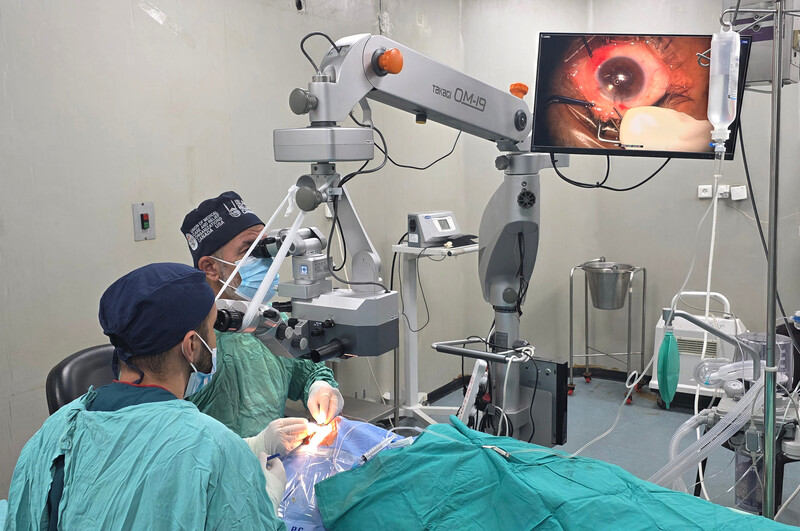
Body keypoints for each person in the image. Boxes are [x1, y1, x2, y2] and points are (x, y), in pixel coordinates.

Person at [4, 263, 286, 529]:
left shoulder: (54, 429)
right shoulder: (216, 448)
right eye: (212, 328)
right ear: (191, 345)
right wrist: (265, 502)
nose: (214, 342)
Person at [181, 191, 343, 444]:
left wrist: (319, 387)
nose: (265, 262)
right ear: (211, 268)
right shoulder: (190, 337)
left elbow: (305, 370)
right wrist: (252, 449)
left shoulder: (270, 320)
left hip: (276, 463)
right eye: (249, 251)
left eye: (265, 248)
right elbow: (175, 437)